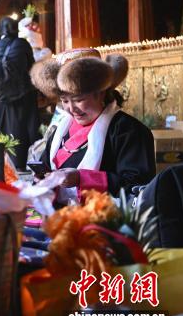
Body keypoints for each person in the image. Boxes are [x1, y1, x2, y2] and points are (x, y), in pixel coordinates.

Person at [31, 48, 155, 203]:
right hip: (60, 214)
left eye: (78, 99)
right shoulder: (61, 130)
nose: (71, 109)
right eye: (65, 100)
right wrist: (42, 180)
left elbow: (138, 187)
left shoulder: (129, 131)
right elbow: (45, 168)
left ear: (101, 93)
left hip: (105, 215)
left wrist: (82, 178)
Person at [0, 17, 40, 170]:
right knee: (21, 127)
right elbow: (31, 66)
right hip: (22, 94)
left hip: (0, 95)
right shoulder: (22, 44)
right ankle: (21, 162)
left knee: (2, 126)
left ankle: (2, 162)